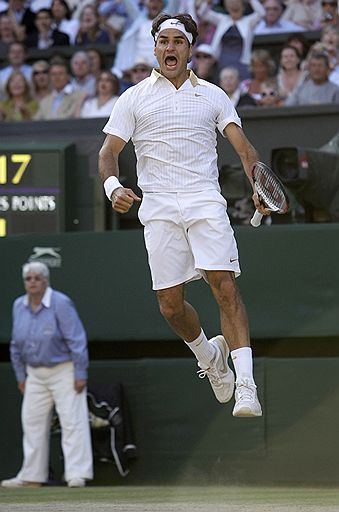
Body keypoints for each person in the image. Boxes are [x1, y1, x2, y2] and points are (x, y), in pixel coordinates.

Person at [99, 13, 268, 417]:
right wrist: (113, 187)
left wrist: (258, 181)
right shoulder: (133, 97)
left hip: (204, 200)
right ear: (155, 47)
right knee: (170, 307)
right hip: (158, 207)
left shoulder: (213, 95)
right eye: (163, 41)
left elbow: (244, 150)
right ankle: (210, 357)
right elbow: (108, 154)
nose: (169, 47)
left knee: (224, 288)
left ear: (190, 48)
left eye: (178, 41)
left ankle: (246, 385)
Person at [0, 262, 93, 488]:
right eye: (28, 278)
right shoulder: (18, 306)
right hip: (34, 373)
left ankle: (77, 474)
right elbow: (15, 344)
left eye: (37, 278)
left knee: (72, 421)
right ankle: (31, 476)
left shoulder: (60, 303)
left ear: (45, 281)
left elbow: (76, 339)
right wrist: (21, 376)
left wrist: (80, 372)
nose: (32, 282)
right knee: (31, 422)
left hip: (64, 370)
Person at [198, 0, 265, 80]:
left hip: (241, 62)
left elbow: (262, 13)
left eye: (237, 7)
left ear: (243, 8)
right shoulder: (222, 19)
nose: (234, 8)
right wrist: (208, 2)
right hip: (222, 60)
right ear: (227, 8)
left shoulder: (249, 21)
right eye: (231, 7)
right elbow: (202, 13)